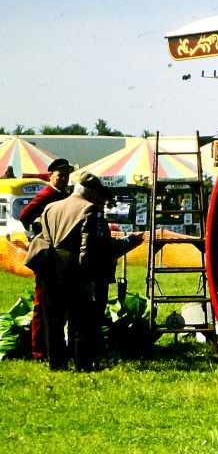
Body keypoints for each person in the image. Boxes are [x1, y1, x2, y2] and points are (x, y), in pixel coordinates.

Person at [35, 172, 142, 371]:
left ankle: (56, 364)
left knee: (53, 319)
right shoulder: (89, 209)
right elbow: (90, 246)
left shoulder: (51, 207)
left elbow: (41, 235)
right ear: (92, 192)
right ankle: (82, 363)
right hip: (74, 269)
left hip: (49, 268)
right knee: (80, 319)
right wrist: (86, 272)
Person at [18, 158, 73, 361]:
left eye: (66, 175)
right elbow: (25, 215)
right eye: (60, 175)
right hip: (47, 256)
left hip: (59, 257)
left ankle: (50, 347)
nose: (64, 179)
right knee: (41, 306)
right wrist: (40, 233)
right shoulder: (47, 194)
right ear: (51, 176)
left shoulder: (62, 195)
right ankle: (38, 351)